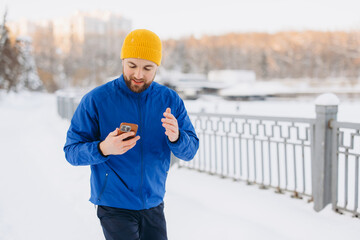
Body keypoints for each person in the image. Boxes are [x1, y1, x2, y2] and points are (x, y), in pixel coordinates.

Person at [64, 29, 199, 240]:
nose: (138, 75)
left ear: (157, 67)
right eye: (132, 66)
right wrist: (103, 148)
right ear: (122, 61)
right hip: (114, 204)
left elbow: (190, 151)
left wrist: (177, 137)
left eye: (147, 68)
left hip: (154, 203)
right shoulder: (97, 100)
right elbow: (71, 152)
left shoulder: (170, 101)